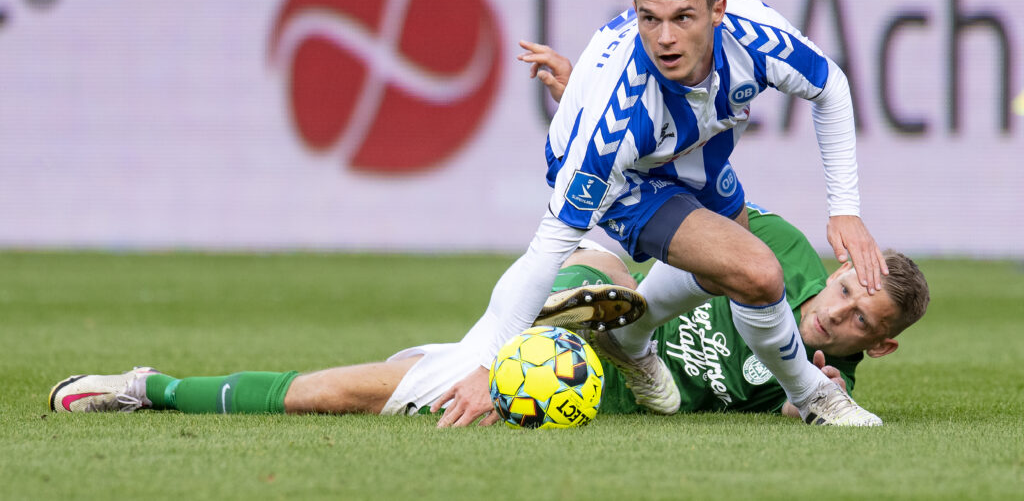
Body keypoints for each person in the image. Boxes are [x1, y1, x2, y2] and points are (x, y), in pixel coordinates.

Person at [437, 0, 889, 427]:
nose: (665, 38)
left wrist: (845, 207)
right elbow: (549, 244)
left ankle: (631, 338)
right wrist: (489, 368)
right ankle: (813, 397)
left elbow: (831, 87)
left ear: (718, 11)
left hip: (695, 152)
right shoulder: (615, 122)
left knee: (725, 264)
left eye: (682, 18)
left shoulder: (757, 35)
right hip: (626, 174)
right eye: (648, 19)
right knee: (757, 273)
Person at [48, 205, 929, 422]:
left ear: (878, 347)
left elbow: (811, 400)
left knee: (342, 397)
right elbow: (686, 204)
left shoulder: (822, 386)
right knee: (608, 256)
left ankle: (146, 385)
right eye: (847, 288)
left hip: (570, 397)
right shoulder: (774, 249)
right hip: (553, 346)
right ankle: (148, 386)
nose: (838, 312)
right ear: (840, 264)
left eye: (860, 320)